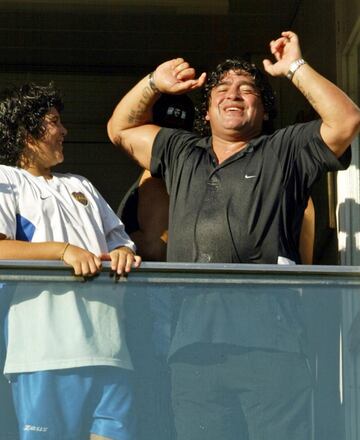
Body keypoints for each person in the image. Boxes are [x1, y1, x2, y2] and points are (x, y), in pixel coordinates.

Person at [107, 31, 360, 440]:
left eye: (247, 89)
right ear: (206, 111)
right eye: (222, 89)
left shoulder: (286, 150)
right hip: (192, 349)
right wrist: (154, 82)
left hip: (273, 346)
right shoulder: (180, 150)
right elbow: (120, 128)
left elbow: (345, 120)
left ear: (263, 107)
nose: (234, 95)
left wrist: (293, 68)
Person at [0, 82, 141, 440]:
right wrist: (62, 250)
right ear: (28, 129)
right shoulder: (6, 180)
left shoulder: (81, 184)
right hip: (45, 353)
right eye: (53, 122)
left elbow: (119, 239)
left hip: (110, 350)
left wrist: (124, 253)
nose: (63, 131)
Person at [118, 93, 195, 261]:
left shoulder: (157, 178)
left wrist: (117, 245)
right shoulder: (177, 170)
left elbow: (155, 249)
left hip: (151, 283)